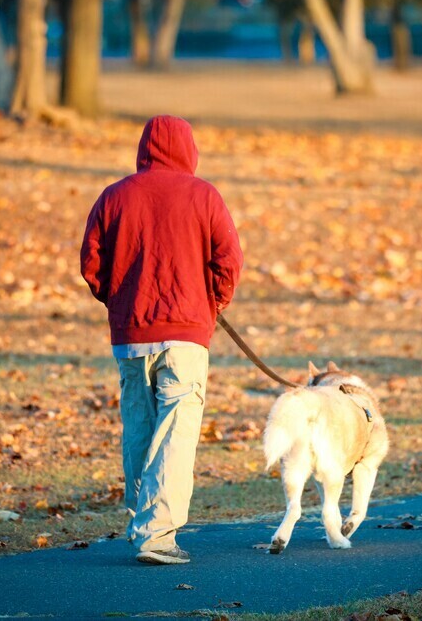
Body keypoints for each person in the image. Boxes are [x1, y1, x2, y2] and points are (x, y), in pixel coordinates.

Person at [79, 115, 243, 565]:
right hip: (186, 335)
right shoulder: (204, 195)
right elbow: (229, 261)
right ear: (189, 149)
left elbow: (91, 263)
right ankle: (156, 534)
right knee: (175, 430)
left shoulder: (114, 196)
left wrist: (119, 301)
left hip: (130, 336)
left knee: (139, 427)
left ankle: (142, 521)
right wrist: (212, 304)